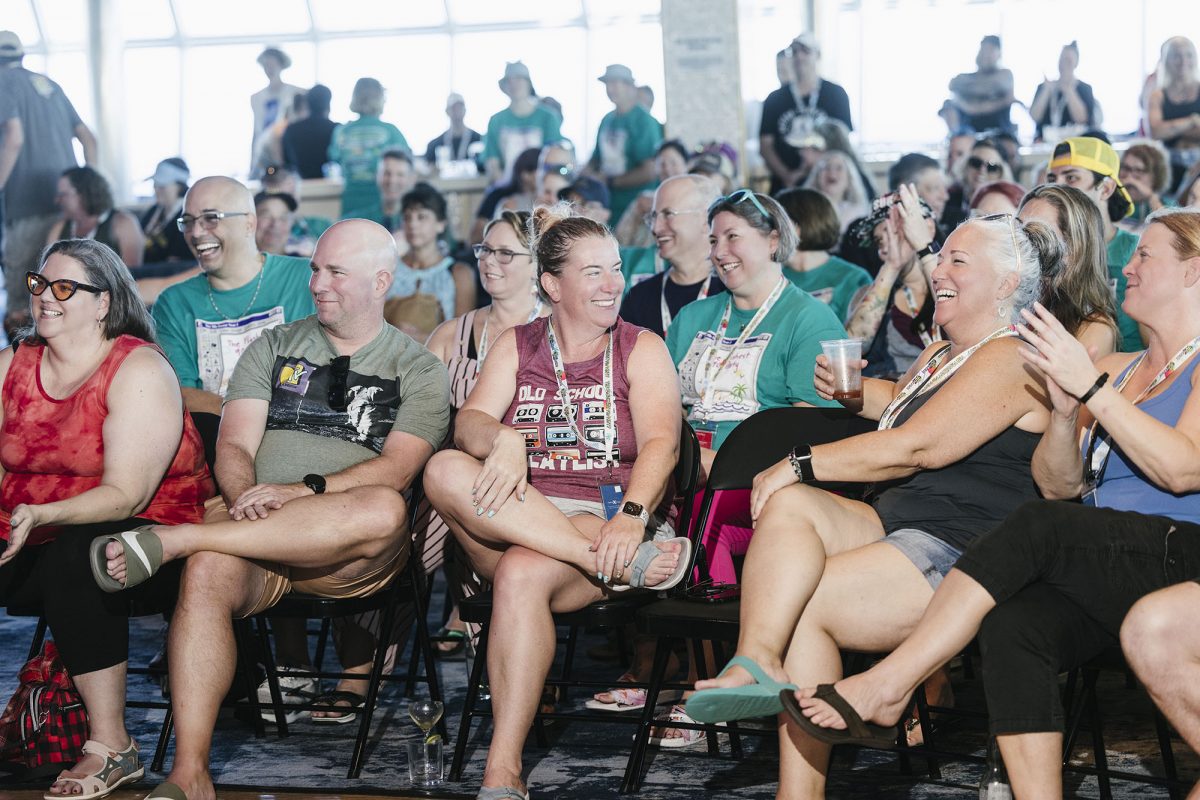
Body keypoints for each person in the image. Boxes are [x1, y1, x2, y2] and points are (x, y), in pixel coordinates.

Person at [780, 209, 1200, 799]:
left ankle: (893, 682)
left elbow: (1181, 470)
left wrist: (1090, 392)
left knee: (1038, 525)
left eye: (1145, 255)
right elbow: (1059, 485)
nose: (1126, 266)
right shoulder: (1115, 369)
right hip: (1101, 556)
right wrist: (1063, 416)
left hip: (1179, 552)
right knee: (1012, 623)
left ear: (1192, 271)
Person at [683, 213, 1060, 798]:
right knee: (791, 505)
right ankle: (755, 661)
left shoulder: (1013, 355)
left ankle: (798, 793)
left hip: (962, 549)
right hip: (897, 521)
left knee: (805, 594)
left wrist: (799, 460)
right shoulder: (943, 353)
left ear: (1007, 284)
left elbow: (917, 445)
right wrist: (853, 393)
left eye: (958, 260)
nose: (939, 270)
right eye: (941, 257)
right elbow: (904, 405)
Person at [94, 220, 450, 800]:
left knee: (385, 509)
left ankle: (180, 539)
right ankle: (190, 773)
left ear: (381, 281)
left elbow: (397, 471)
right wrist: (243, 498)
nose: (318, 283)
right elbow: (234, 445)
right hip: (253, 534)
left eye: (336, 272)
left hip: (346, 550)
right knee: (208, 573)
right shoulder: (274, 345)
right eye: (315, 269)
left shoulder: (419, 368)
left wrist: (300, 491)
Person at [423, 204, 690, 799]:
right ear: (552, 284)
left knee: (521, 572)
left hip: (609, 518)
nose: (613, 283)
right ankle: (599, 559)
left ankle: (502, 771)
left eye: (615, 268)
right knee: (443, 467)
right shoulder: (519, 345)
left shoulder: (640, 347)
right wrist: (504, 439)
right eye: (593, 272)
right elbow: (469, 423)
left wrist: (633, 519)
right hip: (524, 516)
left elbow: (662, 446)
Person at [0, 239, 212, 800]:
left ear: (104, 302)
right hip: (29, 529)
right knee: (61, 548)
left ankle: (112, 745)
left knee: (78, 552)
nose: (45, 297)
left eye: (64, 287)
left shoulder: (137, 367)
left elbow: (125, 494)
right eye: (39, 284)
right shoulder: (12, 365)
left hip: (143, 539)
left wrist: (39, 513)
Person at [424, 210, 548, 654]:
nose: (489, 261)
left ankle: (494, 655)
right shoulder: (450, 335)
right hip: (449, 475)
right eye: (484, 250)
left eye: (504, 253)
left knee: (476, 517)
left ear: (536, 264)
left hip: (532, 478)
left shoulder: (557, 331)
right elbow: (419, 417)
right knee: (399, 546)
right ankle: (363, 672)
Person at [151, 176, 314, 415]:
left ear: (249, 223)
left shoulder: (306, 278)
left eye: (211, 218)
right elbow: (180, 394)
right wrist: (252, 419)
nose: (196, 232)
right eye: (188, 221)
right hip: (216, 432)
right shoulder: (174, 303)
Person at [0, 30, 98, 320]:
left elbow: (14, 138)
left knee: (21, 303)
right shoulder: (49, 85)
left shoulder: (3, 82)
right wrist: (89, 192)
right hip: (66, 210)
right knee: (60, 294)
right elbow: (89, 139)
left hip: (25, 207)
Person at [1047, 136, 1141, 351]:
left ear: (1106, 188)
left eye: (1071, 178)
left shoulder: (1136, 251)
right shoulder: (1047, 250)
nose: (1057, 188)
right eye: (1052, 178)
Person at [844, 187, 939, 379]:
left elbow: (964, 318)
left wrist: (924, 246)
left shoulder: (962, 279)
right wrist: (892, 265)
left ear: (927, 228)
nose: (887, 246)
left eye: (895, 232)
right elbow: (851, 349)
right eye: (879, 241)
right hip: (896, 392)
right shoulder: (870, 293)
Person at [1017, 183, 1120, 358]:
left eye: (1039, 233)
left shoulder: (1094, 328)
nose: (1022, 241)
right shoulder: (1011, 299)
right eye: (1018, 229)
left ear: (1075, 249)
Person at [619, 175, 726, 338]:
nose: (655, 228)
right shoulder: (640, 297)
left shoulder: (732, 291)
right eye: (653, 217)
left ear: (706, 219)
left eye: (668, 214)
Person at [759, 32, 853, 193]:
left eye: (805, 51)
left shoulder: (836, 94)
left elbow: (842, 142)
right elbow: (765, 145)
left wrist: (823, 170)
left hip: (827, 185)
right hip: (786, 186)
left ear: (818, 55)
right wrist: (787, 176)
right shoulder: (774, 99)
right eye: (794, 52)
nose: (799, 57)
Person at [385, 182, 475, 342]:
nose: (413, 224)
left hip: (438, 356)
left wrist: (419, 339)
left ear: (441, 224)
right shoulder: (388, 269)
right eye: (407, 217)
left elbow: (464, 339)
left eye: (422, 217)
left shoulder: (459, 274)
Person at [777, 188, 870, 322]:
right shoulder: (772, 280)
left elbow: (861, 331)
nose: (768, 232)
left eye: (775, 224)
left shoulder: (853, 278)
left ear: (794, 228)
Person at [588, 64, 662, 222]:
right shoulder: (607, 119)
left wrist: (610, 181)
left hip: (635, 208)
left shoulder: (644, 121)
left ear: (630, 86)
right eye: (608, 84)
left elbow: (649, 171)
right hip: (607, 204)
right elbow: (595, 159)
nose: (610, 89)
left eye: (615, 83)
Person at [328, 77, 409, 220]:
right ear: (381, 98)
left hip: (351, 200)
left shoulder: (341, 131)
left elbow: (334, 158)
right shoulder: (391, 131)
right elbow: (408, 163)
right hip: (380, 203)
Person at [46, 166, 144, 269]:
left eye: (63, 195)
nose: (57, 201)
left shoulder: (123, 223)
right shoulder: (60, 228)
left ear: (83, 194)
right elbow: (49, 269)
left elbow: (131, 273)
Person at [482, 62, 562, 185]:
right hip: (508, 187)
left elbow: (555, 158)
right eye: (509, 81)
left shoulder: (548, 118)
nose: (514, 84)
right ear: (504, 87)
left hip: (542, 186)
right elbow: (492, 162)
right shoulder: (496, 121)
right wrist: (505, 187)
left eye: (519, 79)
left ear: (529, 83)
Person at [613, 139, 690, 249]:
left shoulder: (695, 199)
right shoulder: (645, 199)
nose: (668, 169)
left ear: (687, 165)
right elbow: (620, 239)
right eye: (662, 164)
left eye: (673, 163)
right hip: (643, 256)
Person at [1147, 37, 1200, 190]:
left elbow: (1162, 130)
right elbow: (1155, 132)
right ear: (1167, 60)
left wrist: (1171, 129)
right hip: (1169, 163)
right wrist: (1192, 120)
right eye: (1177, 56)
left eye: (1188, 55)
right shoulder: (1157, 95)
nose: (1183, 61)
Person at [944, 35, 1016, 135]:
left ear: (999, 54)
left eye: (990, 50)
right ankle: (955, 136)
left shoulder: (1005, 75)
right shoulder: (964, 77)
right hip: (967, 132)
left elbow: (1002, 90)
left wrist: (970, 105)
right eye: (983, 50)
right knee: (948, 104)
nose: (985, 55)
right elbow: (952, 85)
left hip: (999, 132)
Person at [1030, 41, 1100, 142]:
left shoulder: (1085, 88)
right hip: (1044, 142)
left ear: (1076, 63)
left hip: (1075, 143)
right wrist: (1046, 91)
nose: (1064, 64)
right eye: (1062, 59)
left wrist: (1068, 90)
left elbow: (1082, 119)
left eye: (1068, 60)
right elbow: (1034, 116)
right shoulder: (1044, 86)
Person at [249, 47, 302, 177]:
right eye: (266, 65)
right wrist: (252, 165)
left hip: (286, 150)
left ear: (281, 65)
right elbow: (256, 131)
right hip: (263, 154)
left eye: (272, 65)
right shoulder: (256, 98)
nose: (269, 69)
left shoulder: (296, 92)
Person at [942, 137, 1013, 232]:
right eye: (976, 163)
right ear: (965, 165)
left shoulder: (1006, 209)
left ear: (1001, 174)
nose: (982, 171)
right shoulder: (946, 199)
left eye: (992, 167)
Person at [141, 158, 193, 264]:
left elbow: (177, 263)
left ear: (180, 186)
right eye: (155, 185)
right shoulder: (153, 211)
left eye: (162, 186)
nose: (156, 189)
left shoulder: (186, 217)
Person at [803, 150, 868, 234]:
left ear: (849, 180)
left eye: (839, 168)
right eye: (827, 167)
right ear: (817, 177)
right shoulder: (805, 210)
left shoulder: (858, 213)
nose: (832, 172)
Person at [282, 84, 338, 180]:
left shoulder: (291, 130)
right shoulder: (336, 129)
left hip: (302, 185)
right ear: (328, 104)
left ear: (307, 103)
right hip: (331, 185)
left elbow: (287, 164)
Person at [423, 92, 481, 174]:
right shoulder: (434, 145)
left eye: (460, 107)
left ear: (465, 110)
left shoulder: (479, 140)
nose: (457, 111)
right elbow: (428, 169)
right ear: (447, 111)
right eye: (453, 108)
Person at [1120, 140, 1173, 224]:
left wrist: (1151, 197)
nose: (1129, 176)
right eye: (1126, 168)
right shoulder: (1113, 200)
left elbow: (1169, 227)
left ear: (1155, 176)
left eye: (1138, 170)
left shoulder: (1169, 205)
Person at [253, 190, 300, 257]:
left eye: (283, 218)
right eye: (266, 216)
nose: (276, 224)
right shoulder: (238, 261)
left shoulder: (304, 262)